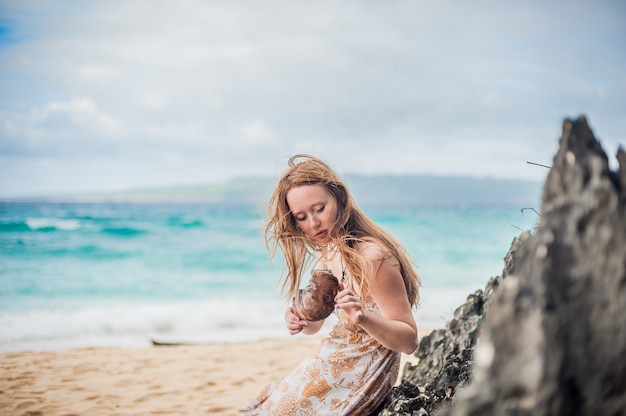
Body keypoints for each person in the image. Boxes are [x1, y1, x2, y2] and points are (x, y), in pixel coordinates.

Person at [240, 154, 421, 415]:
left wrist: (363, 318)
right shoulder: (328, 255)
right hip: (330, 364)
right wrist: (301, 320)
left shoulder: (373, 258)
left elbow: (409, 340)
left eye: (319, 209)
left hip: (361, 379)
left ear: (339, 197)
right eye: (301, 217)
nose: (313, 224)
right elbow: (316, 324)